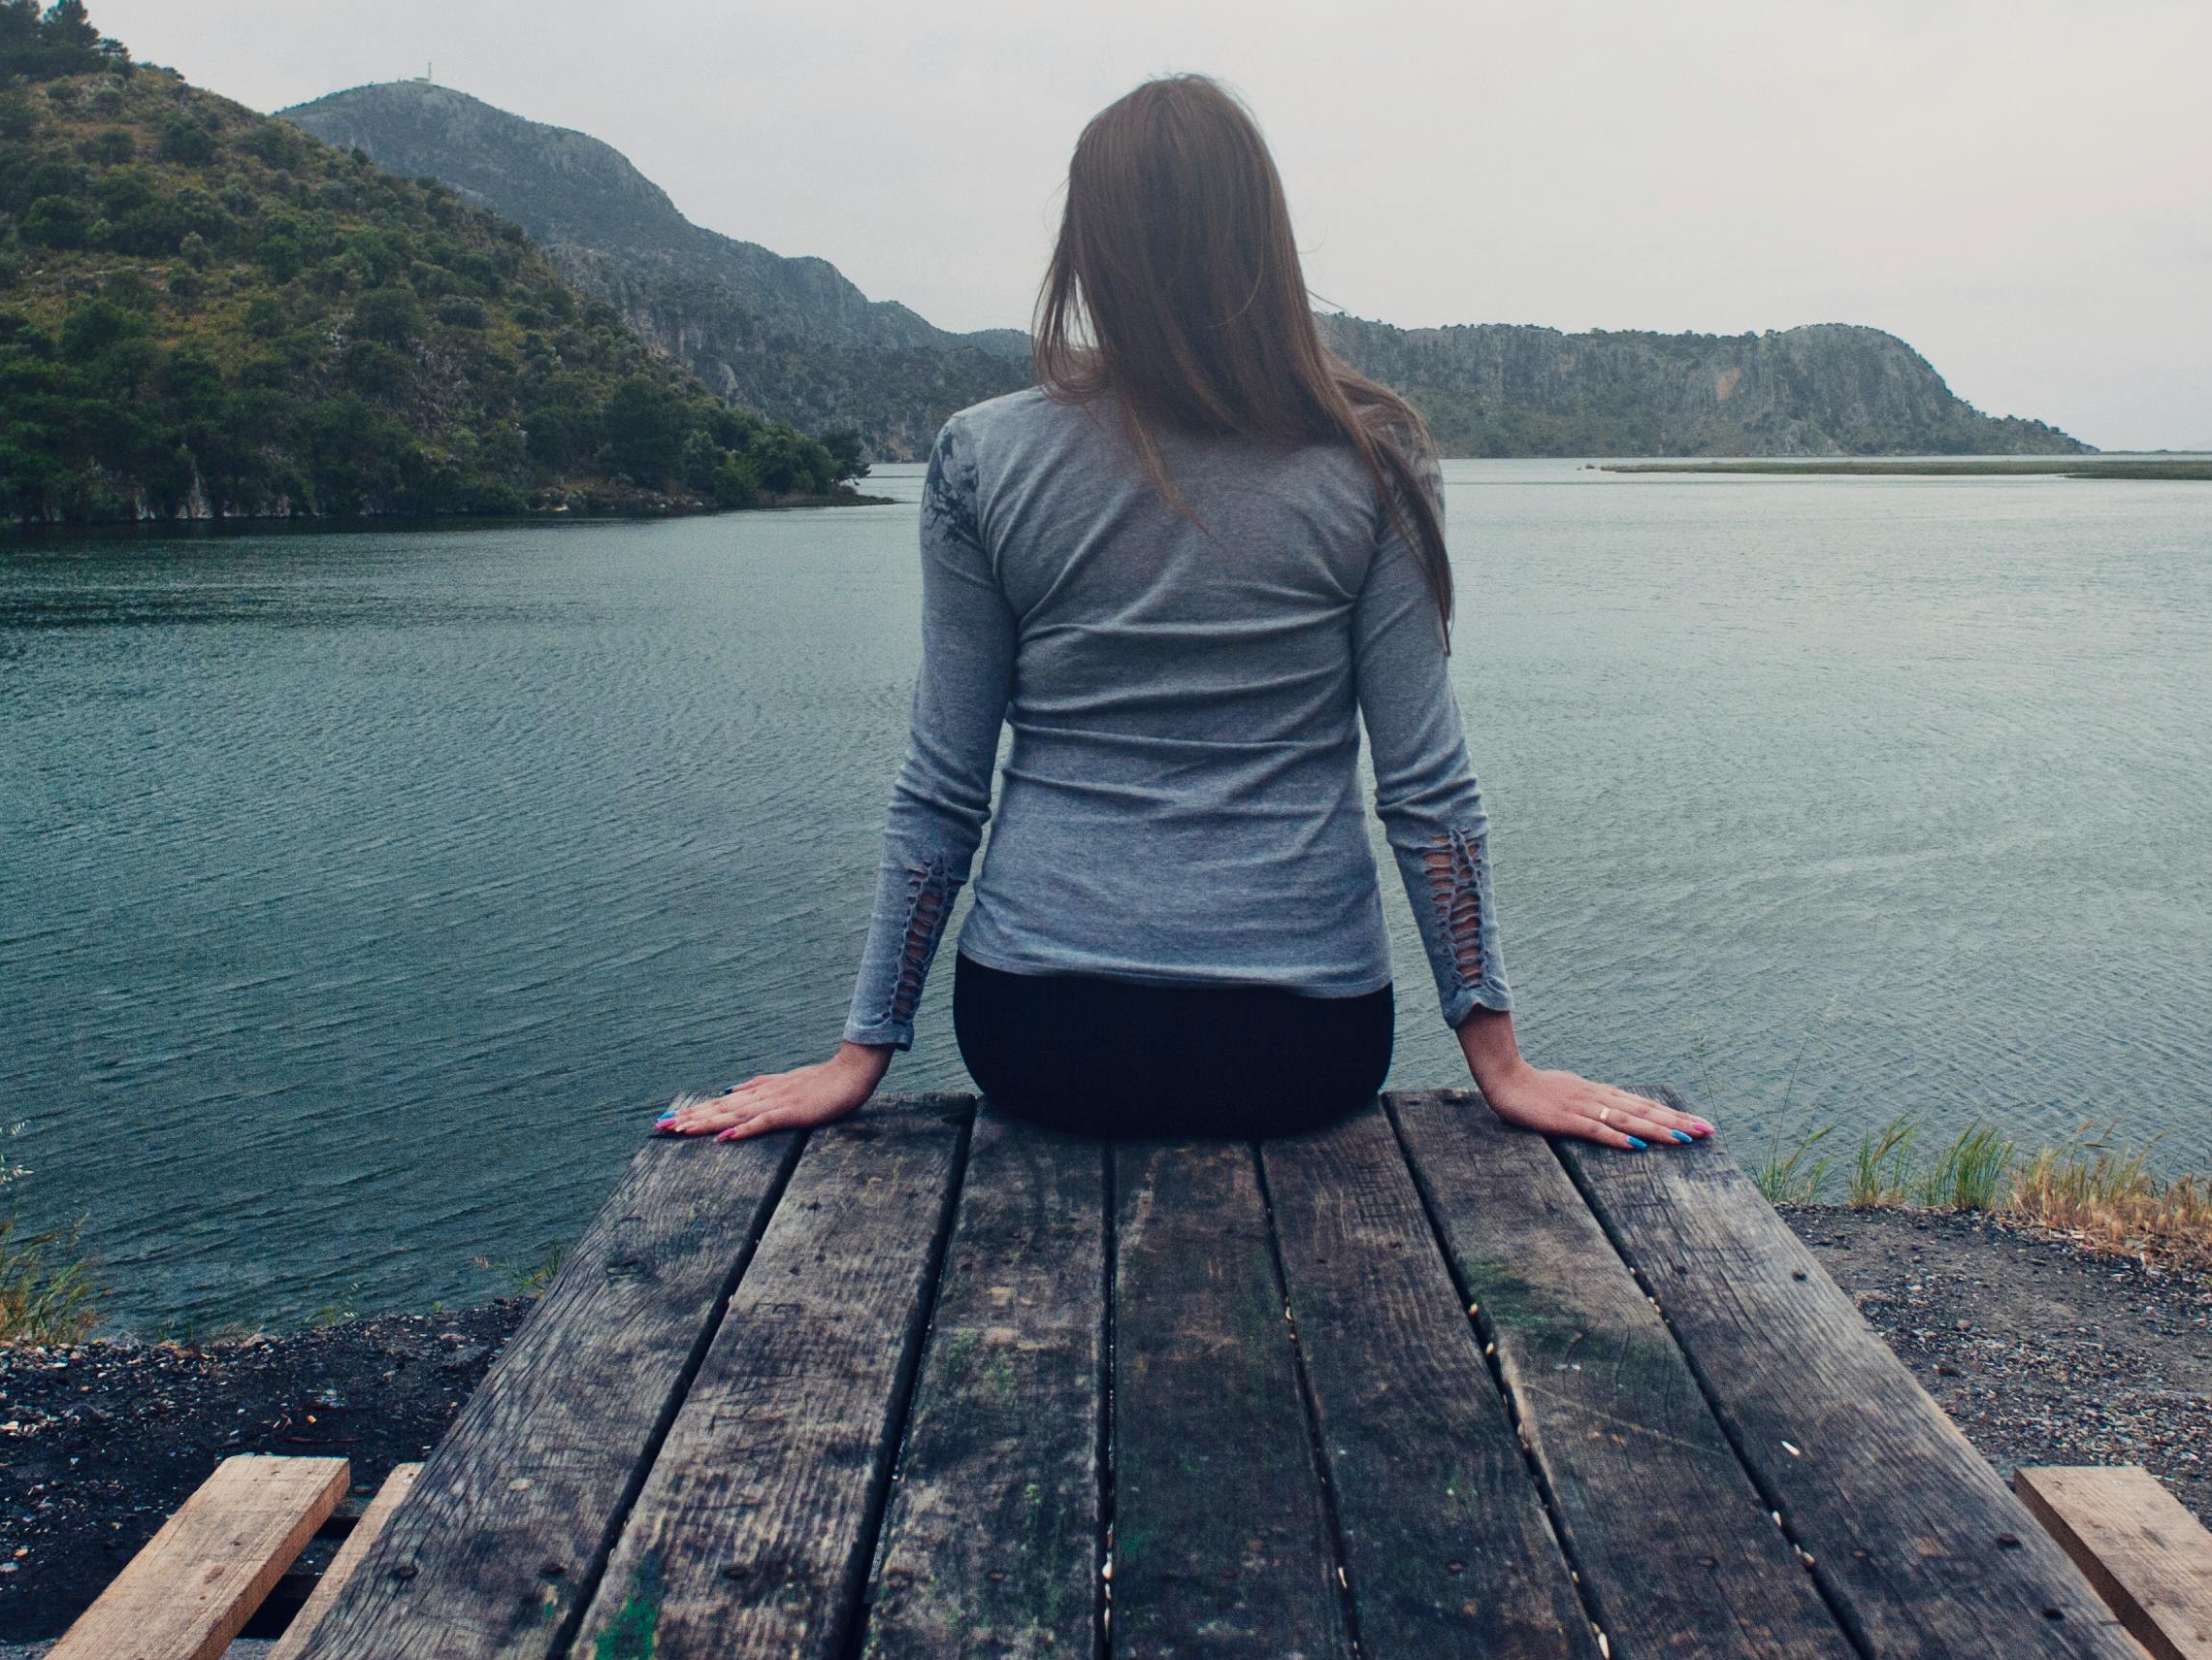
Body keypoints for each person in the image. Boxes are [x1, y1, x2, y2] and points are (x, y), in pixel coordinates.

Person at [657, 77, 1710, 1151]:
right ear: (1260, 237)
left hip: (1035, 1036)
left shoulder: (984, 457)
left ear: (1088, 248)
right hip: (1305, 1046)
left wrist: (860, 1049)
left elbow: (942, 781)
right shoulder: (1373, 463)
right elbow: (1426, 788)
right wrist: (1499, 1059)